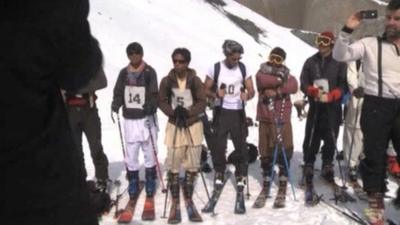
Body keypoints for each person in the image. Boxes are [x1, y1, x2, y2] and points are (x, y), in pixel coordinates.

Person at [1, 1, 102, 224]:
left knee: (95, 146)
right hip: (38, 177)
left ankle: (102, 178)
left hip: (79, 115)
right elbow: (80, 66)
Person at [332, 0, 400, 223]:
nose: (391, 22)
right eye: (389, 17)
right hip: (375, 107)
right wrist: (347, 29)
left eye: (397, 19)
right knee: (374, 158)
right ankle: (375, 212)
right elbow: (340, 55)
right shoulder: (370, 43)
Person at [204, 39, 255, 213]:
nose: (237, 60)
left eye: (239, 57)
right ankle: (219, 171)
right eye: (234, 57)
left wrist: (247, 96)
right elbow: (205, 90)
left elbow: (252, 90)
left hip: (238, 112)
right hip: (221, 111)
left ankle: (240, 174)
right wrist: (215, 94)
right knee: (219, 145)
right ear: (227, 54)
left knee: (241, 145)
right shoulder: (216, 68)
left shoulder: (243, 68)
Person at [158, 48, 206, 223]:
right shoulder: (166, 80)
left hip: (192, 125)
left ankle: (188, 196)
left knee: (193, 163)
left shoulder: (195, 80)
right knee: (173, 163)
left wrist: (189, 113)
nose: (177, 64)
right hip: (175, 126)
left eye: (181, 61)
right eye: (175, 61)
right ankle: (175, 200)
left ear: (187, 63)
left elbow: (202, 102)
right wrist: (173, 113)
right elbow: (161, 100)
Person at [300, 31, 347, 202]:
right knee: (312, 135)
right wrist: (309, 90)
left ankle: (327, 163)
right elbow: (303, 81)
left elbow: (344, 84)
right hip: (315, 105)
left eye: (325, 41)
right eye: (319, 40)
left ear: (332, 43)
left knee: (330, 136)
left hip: (332, 107)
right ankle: (309, 162)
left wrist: (336, 93)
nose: (321, 44)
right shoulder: (310, 61)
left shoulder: (339, 62)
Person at [111, 42, 159, 201]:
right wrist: (116, 102)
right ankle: (133, 180)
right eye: (130, 54)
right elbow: (118, 91)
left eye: (136, 53)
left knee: (149, 150)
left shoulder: (149, 72)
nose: (134, 56)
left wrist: (152, 104)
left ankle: (151, 178)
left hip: (146, 117)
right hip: (130, 118)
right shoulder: (123, 73)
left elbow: (154, 93)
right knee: (131, 152)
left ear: (142, 54)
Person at [254, 47, 298, 208]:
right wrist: (280, 81)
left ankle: (283, 178)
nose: (274, 62)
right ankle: (266, 175)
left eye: (278, 60)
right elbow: (262, 81)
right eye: (273, 58)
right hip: (265, 117)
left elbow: (294, 85)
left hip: (282, 117)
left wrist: (277, 90)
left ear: (283, 61)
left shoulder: (288, 74)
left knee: (285, 148)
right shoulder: (262, 71)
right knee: (265, 149)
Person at [63, 68, 109, 190]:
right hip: (70, 112)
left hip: (89, 110)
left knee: (96, 147)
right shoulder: (62, 61)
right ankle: (79, 180)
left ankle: (102, 178)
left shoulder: (89, 60)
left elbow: (102, 82)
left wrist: (78, 87)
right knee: (75, 150)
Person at [342, 60, 364, 182]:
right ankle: (351, 164)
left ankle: (364, 161)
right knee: (353, 131)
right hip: (356, 100)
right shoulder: (355, 61)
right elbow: (351, 78)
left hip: (374, 101)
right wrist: (355, 90)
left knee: (369, 133)